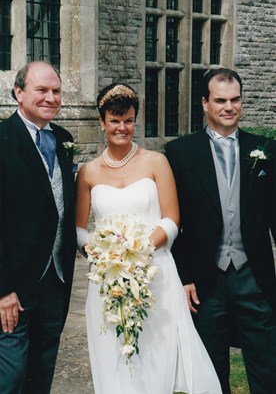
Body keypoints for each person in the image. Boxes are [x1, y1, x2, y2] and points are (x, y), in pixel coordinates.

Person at [75, 82, 222, 394]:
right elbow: (79, 230)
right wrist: (104, 255)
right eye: (114, 121)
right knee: (113, 354)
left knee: (157, 353)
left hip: (155, 273)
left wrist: (138, 250)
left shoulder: (156, 162)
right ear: (102, 123)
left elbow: (172, 218)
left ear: (135, 121)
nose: (122, 128)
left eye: (128, 120)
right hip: (108, 280)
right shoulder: (88, 172)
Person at [166, 68, 276, 394]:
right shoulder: (180, 153)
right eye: (220, 100)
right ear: (204, 103)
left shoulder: (266, 149)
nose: (229, 107)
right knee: (211, 375)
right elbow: (172, 221)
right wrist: (183, 277)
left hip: (254, 276)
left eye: (235, 100)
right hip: (205, 281)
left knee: (267, 369)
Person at [0, 61, 77, 394]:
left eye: (56, 91)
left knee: (41, 374)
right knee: (11, 376)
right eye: (41, 90)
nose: (51, 98)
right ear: (18, 93)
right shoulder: (3, 139)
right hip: (12, 286)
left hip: (55, 280)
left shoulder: (64, 139)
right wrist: (2, 290)